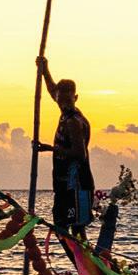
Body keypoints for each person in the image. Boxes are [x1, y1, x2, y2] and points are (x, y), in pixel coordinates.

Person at [36, 56, 95, 241]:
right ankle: (80, 263)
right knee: (60, 226)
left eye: (67, 100)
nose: (62, 104)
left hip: (77, 184)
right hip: (63, 185)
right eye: (60, 100)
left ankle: (87, 265)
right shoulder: (63, 110)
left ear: (75, 98)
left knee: (76, 230)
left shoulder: (74, 122)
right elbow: (53, 90)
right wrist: (45, 70)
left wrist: (50, 148)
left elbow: (79, 154)